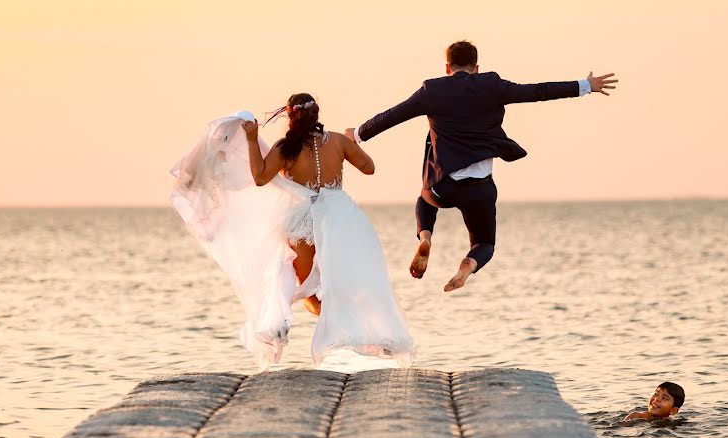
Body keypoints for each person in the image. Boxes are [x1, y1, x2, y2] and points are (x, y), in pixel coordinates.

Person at [346, 40, 618, 292]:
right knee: (484, 243)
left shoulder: (433, 90)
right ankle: (469, 263)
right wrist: (585, 85)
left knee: (425, 198)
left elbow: (393, 115)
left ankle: (426, 238)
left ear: (447, 68)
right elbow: (538, 91)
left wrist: (358, 134)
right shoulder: (492, 85)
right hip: (480, 190)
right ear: (477, 68)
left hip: (443, 187)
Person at [170, 94, 414, 370]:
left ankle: (285, 324)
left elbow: (261, 178)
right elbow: (369, 168)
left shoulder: (287, 148)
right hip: (341, 219)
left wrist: (252, 141)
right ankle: (364, 329)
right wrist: (350, 143)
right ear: (317, 114)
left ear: (290, 116)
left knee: (307, 287)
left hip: (303, 221)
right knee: (346, 283)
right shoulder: (338, 141)